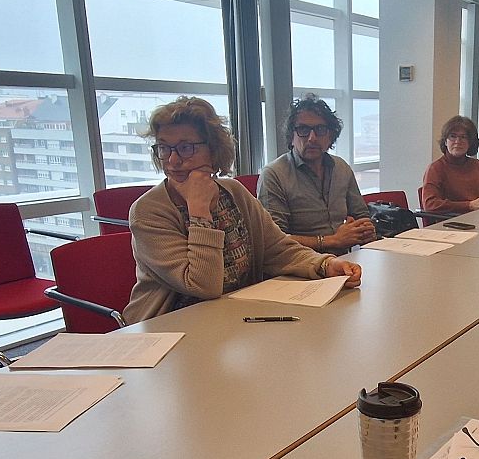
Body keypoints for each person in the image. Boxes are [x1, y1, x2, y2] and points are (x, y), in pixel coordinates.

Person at [127, 97, 361, 323]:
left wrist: (325, 264)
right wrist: (199, 212)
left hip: (237, 318)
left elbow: (278, 249)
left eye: (186, 148)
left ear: (213, 148)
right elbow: (203, 286)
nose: (173, 160)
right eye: (164, 148)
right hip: (171, 328)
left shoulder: (233, 192)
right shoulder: (147, 211)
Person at [258, 95, 375, 254]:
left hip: (343, 262)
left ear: (330, 136)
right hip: (299, 268)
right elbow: (274, 240)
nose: (312, 138)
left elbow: (361, 215)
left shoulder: (341, 167)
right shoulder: (274, 174)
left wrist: (365, 229)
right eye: (303, 130)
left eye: (320, 130)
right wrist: (332, 240)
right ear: (291, 136)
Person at [421, 116, 479, 214]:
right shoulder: (436, 169)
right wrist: (469, 205)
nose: (458, 141)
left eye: (463, 137)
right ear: (445, 141)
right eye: (453, 136)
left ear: (470, 143)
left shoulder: (478, 166)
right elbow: (430, 204)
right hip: (453, 224)